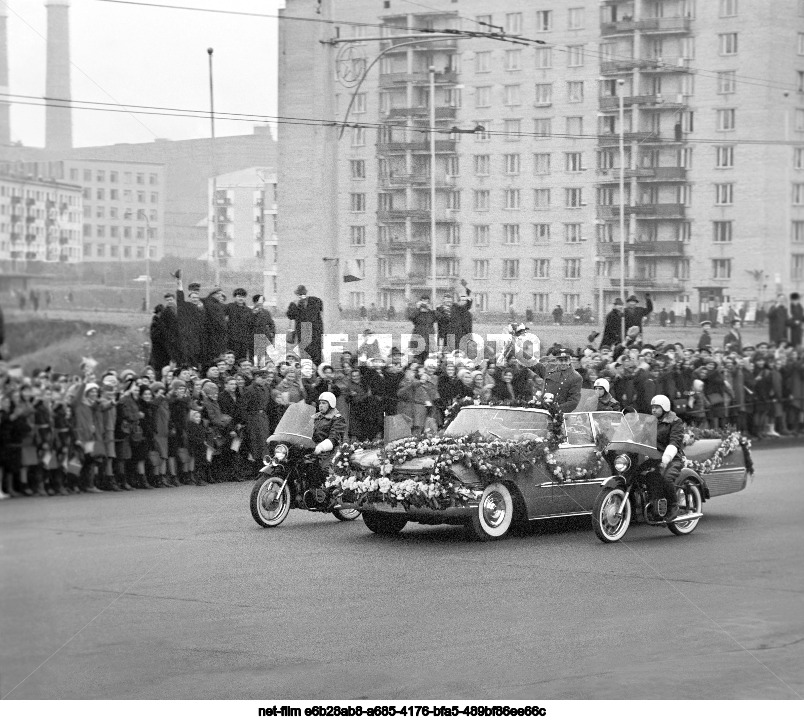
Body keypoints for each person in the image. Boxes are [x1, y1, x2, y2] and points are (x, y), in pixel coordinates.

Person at [648, 395, 684, 523]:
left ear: (665, 407)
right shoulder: (650, 421)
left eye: (657, 407)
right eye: (652, 407)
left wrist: (666, 458)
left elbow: (675, 442)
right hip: (653, 457)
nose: (653, 410)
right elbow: (640, 436)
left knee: (666, 478)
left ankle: (673, 506)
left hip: (672, 458)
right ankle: (654, 505)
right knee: (644, 476)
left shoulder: (675, 422)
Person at [287, 285, 324, 366]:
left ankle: (314, 368)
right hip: (307, 330)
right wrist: (295, 305)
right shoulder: (295, 303)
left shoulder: (315, 301)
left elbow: (320, 310)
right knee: (308, 353)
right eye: (300, 293)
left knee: (312, 352)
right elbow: (290, 315)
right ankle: (309, 367)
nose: (301, 295)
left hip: (312, 330)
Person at [312, 391, 346, 470]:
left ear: (331, 404)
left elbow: (334, 438)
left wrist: (320, 447)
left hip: (326, 453)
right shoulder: (315, 417)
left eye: (324, 403)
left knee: (320, 470)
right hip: (311, 449)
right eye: (320, 403)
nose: (320, 406)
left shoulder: (337, 419)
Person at [407, 295, 437, 363]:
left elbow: (438, 318)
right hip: (418, 335)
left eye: (426, 301)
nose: (425, 303)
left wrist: (432, 310)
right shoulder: (417, 312)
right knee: (417, 356)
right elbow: (410, 317)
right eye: (423, 301)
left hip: (428, 336)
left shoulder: (431, 312)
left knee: (427, 356)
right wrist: (417, 308)